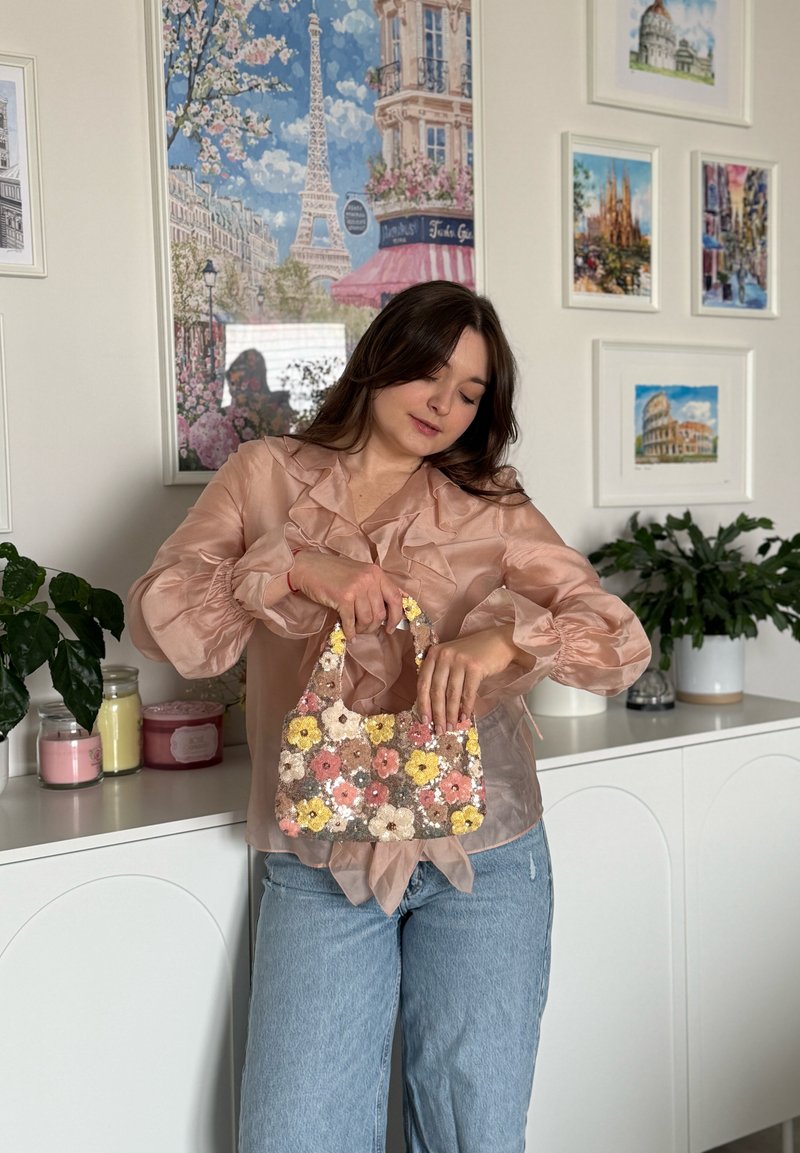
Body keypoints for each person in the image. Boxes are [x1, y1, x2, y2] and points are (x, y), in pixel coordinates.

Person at [128, 280, 650, 1153]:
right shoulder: (264, 477)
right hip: (320, 852)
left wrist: (502, 641)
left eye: (471, 394)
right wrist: (298, 568)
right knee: (297, 1133)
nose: (444, 406)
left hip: (487, 851)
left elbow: (615, 637)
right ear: (381, 360)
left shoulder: (493, 505)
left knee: (472, 1132)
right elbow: (159, 616)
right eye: (430, 376)